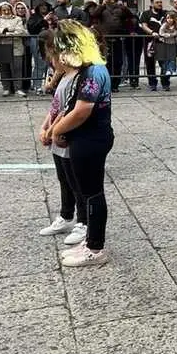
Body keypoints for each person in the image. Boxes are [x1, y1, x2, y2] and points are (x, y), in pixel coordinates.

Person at [46, 20, 115, 268]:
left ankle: (95, 247)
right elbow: (68, 107)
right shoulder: (83, 70)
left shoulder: (94, 71)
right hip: (82, 138)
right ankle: (89, 241)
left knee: (92, 193)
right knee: (86, 191)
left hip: (92, 138)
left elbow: (82, 110)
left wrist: (56, 132)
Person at [38, 29, 88, 248]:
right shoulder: (62, 77)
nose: (50, 60)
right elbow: (55, 106)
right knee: (64, 179)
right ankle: (66, 216)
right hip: (57, 137)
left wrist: (53, 131)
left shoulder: (78, 78)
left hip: (67, 137)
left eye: (52, 54)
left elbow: (68, 110)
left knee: (77, 182)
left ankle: (83, 222)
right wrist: (44, 126)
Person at [92, 0, 133, 91]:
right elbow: (94, 15)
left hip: (118, 39)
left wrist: (122, 5)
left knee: (118, 62)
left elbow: (130, 16)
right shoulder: (101, 8)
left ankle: (115, 85)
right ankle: (105, 84)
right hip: (104, 40)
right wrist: (102, 4)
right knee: (105, 63)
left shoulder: (120, 8)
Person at [0, 2, 27, 97]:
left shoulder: (17, 19)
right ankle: (6, 88)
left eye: (8, 10)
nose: (6, 12)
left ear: (11, 9)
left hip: (15, 46)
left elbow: (20, 31)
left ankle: (18, 89)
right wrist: (5, 30)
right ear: (0, 10)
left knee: (17, 69)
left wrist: (6, 32)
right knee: (3, 69)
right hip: (0, 45)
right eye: (4, 10)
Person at [139, 0, 167, 92]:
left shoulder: (165, 13)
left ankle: (165, 83)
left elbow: (173, 21)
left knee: (164, 64)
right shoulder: (146, 14)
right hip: (150, 42)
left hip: (163, 42)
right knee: (150, 64)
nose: (159, 4)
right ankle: (152, 83)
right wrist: (151, 32)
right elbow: (144, 25)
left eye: (160, 2)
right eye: (157, 2)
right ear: (152, 4)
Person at [156, 11, 177, 90]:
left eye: (171, 18)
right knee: (165, 60)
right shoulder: (164, 25)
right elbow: (161, 32)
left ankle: (172, 69)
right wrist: (168, 35)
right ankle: (166, 73)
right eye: (168, 18)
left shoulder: (176, 25)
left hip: (173, 44)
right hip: (164, 44)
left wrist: (175, 34)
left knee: (172, 58)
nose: (170, 20)